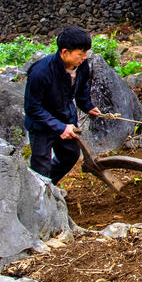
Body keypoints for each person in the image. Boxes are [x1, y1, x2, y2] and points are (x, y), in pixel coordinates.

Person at [24, 26, 101, 184]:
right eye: (81, 53)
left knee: (70, 155)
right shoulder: (40, 72)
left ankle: (48, 187)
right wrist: (60, 127)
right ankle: (40, 194)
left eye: (86, 52)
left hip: (66, 118)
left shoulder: (82, 67)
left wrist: (88, 106)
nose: (84, 57)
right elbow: (32, 108)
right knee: (41, 165)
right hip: (41, 124)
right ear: (65, 52)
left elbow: (81, 90)